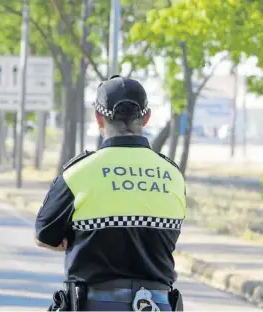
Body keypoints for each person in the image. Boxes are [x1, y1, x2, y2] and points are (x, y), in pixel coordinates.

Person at [36, 75, 186, 311]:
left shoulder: (77, 174)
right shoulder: (173, 175)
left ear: (98, 118)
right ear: (146, 118)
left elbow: (44, 236)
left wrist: (80, 239)